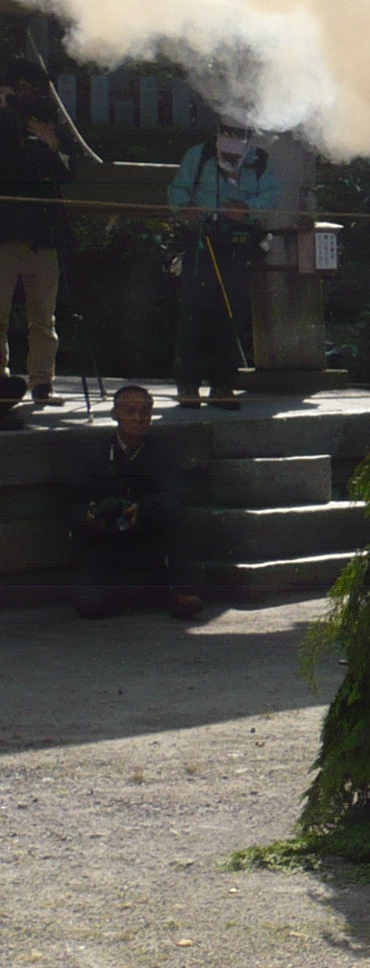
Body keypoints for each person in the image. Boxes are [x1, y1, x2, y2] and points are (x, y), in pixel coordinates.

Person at [167, 122, 279, 408]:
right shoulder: (199, 155)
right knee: (195, 314)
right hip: (201, 241)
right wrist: (186, 207)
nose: (231, 154)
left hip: (241, 244)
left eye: (239, 136)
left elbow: (272, 194)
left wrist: (248, 208)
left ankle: (223, 386)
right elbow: (177, 189)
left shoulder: (260, 160)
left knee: (232, 316)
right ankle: (188, 385)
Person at [72, 385, 202, 620]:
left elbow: (176, 493)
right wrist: (91, 515)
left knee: (178, 520)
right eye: (130, 411)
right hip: (107, 537)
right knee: (89, 605)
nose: (138, 418)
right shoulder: (96, 453)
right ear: (115, 414)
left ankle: (183, 593)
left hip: (148, 532)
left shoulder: (162, 451)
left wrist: (143, 508)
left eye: (145, 412)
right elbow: (75, 499)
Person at [0, 59, 73, 403]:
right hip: (3, 234)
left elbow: (69, 175)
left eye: (34, 89)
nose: (27, 96)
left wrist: (52, 144)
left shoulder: (49, 124)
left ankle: (42, 381)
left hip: (43, 234)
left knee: (43, 317)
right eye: (21, 89)